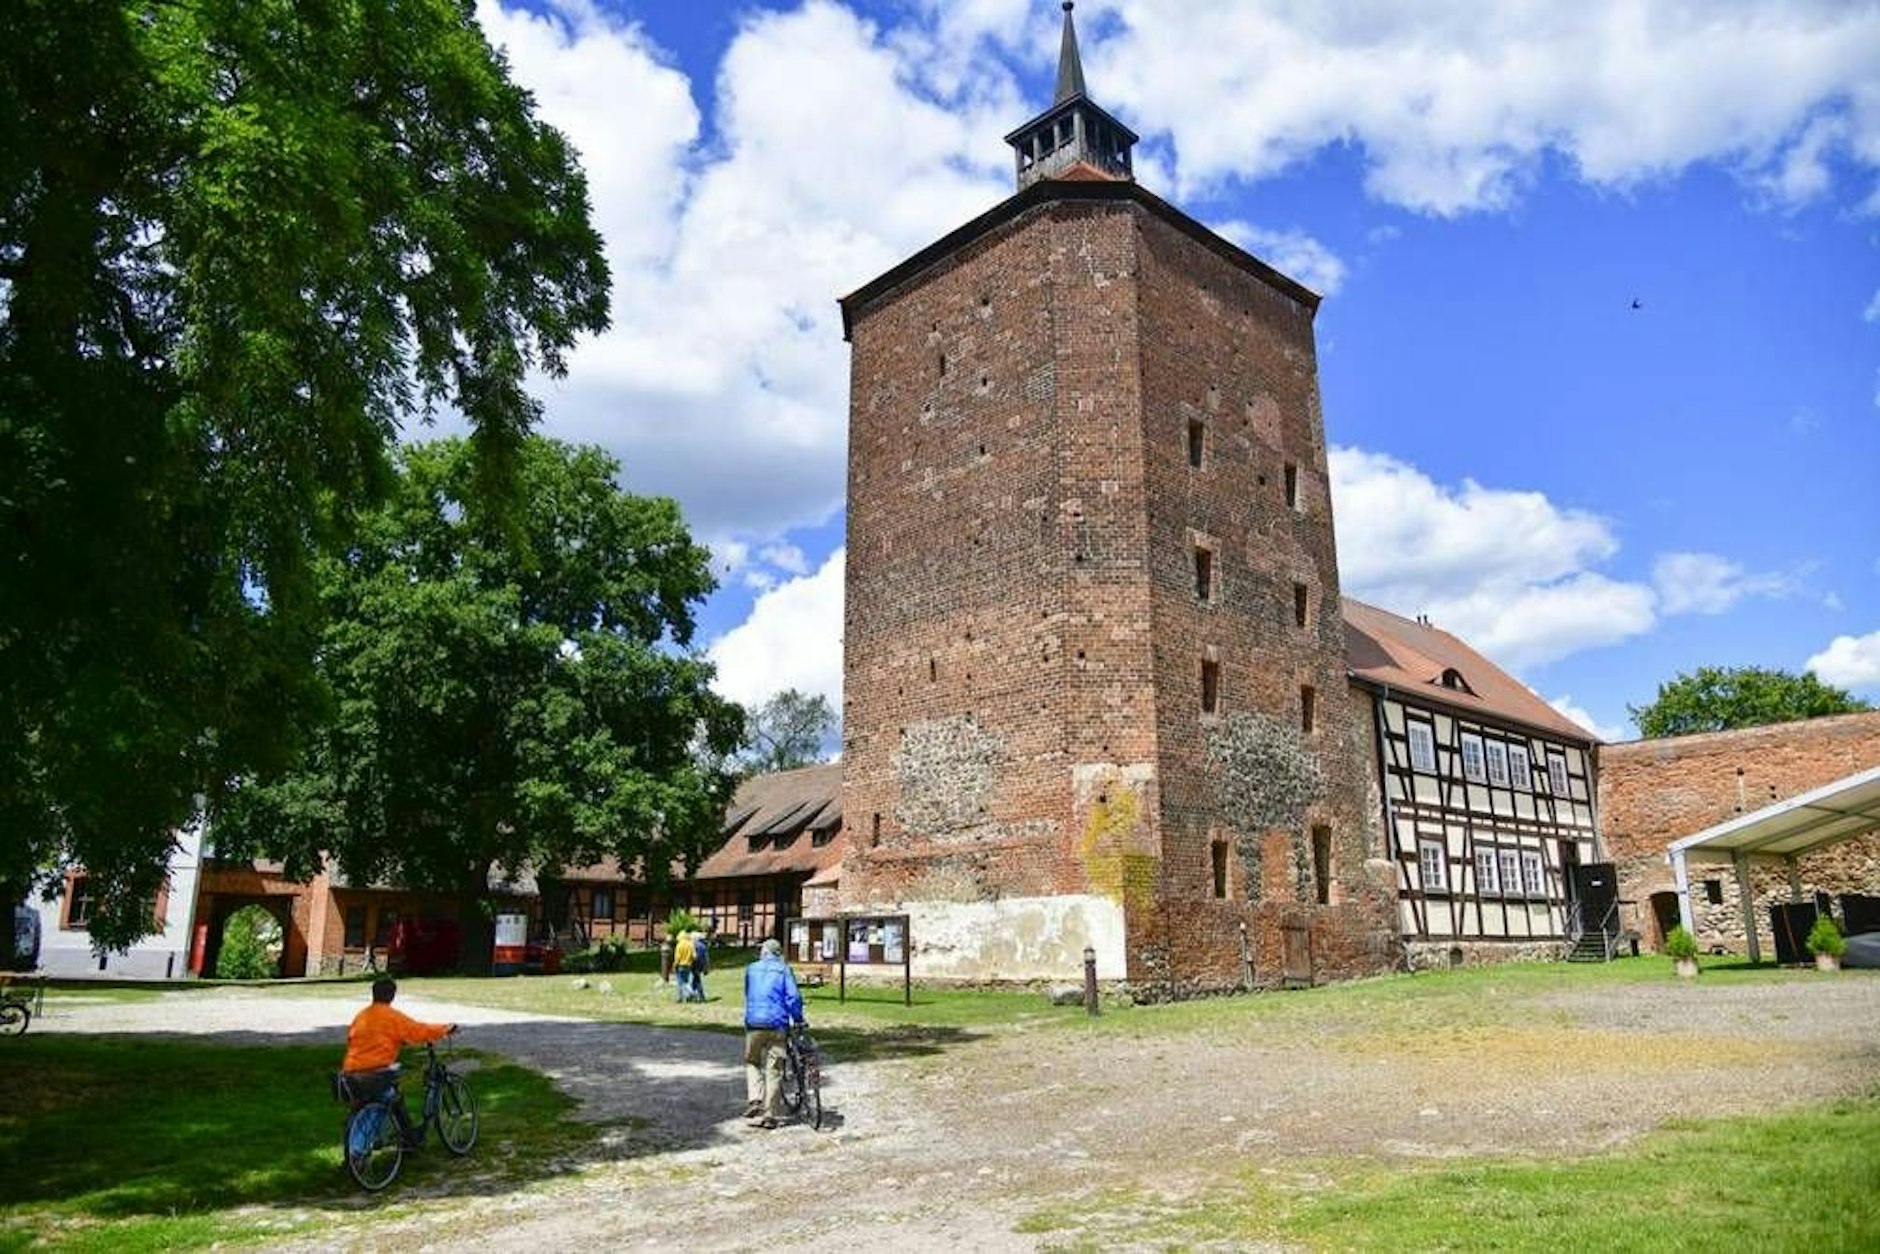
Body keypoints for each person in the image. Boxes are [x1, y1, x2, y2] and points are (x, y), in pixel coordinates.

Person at [340, 977, 455, 1149]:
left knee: (390, 1097)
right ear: (392, 995)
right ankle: (402, 1141)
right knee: (389, 1098)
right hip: (375, 1072)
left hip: (351, 1072)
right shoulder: (392, 1017)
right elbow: (418, 1030)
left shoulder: (362, 1016)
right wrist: (445, 1029)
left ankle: (403, 1137)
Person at [741, 937, 804, 1128]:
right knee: (774, 1068)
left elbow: (747, 992)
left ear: (764, 952)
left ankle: (755, 1099)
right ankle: (770, 1115)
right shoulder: (783, 969)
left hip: (754, 1022)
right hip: (777, 1024)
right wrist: (798, 1018)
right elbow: (793, 997)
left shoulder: (751, 968)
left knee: (752, 1061)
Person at [672, 927, 697, 1003]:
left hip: (681, 965)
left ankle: (686, 995)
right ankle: (687, 997)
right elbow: (694, 956)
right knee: (686, 981)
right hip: (689, 965)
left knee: (681, 982)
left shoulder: (679, 945)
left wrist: (674, 965)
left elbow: (677, 957)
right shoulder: (690, 944)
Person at [692, 927, 711, 1002]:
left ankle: (700, 996)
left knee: (697, 980)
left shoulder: (694, 945)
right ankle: (694, 995)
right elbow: (706, 958)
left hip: (695, 964)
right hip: (701, 965)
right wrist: (706, 968)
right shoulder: (703, 946)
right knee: (695, 980)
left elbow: (693, 955)